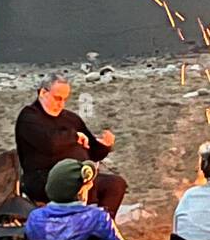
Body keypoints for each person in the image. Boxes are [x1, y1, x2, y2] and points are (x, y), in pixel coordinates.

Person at [15, 73, 127, 217]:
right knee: (79, 186)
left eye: (64, 99)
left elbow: (93, 152)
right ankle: (80, 229)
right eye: (57, 98)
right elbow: (50, 144)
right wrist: (75, 137)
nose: (61, 104)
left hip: (79, 174)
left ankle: (103, 226)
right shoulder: (29, 118)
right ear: (43, 93)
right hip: (44, 178)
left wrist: (105, 146)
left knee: (115, 184)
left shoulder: (70, 118)